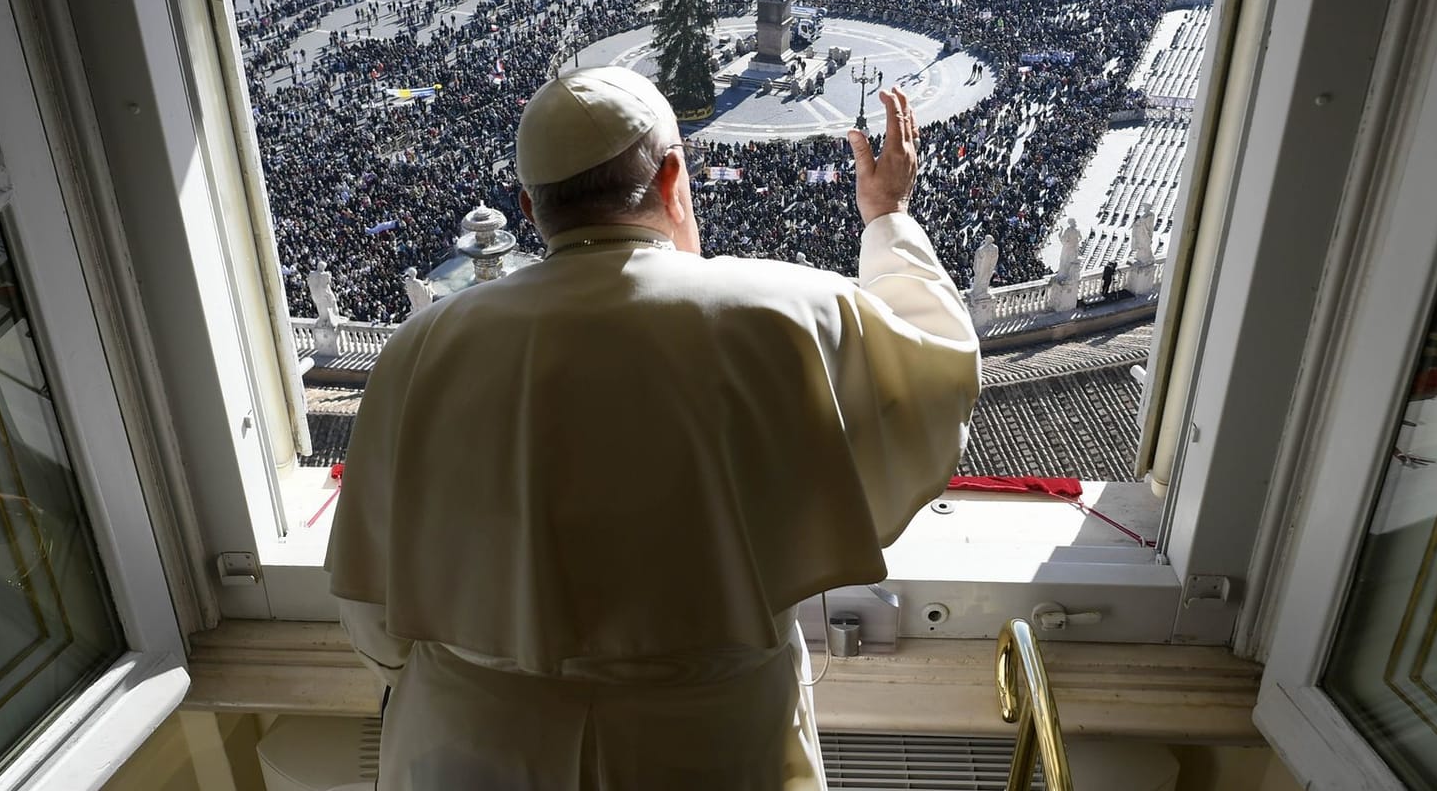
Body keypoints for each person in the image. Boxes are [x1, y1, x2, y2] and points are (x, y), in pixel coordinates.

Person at [327, 66, 981, 789]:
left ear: (530, 209)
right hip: (709, 747)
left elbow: (375, 613)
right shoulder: (784, 311)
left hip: (471, 746)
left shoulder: (422, 348)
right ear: (673, 177)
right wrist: (887, 215)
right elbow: (942, 366)